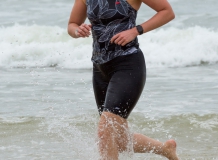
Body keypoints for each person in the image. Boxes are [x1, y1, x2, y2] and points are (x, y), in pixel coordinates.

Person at [68, 0, 179, 159]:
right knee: (115, 137)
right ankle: (165, 149)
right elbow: (72, 24)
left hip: (128, 64)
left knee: (105, 130)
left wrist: (136, 30)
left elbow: (167, 12)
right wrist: (77, 30)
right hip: (100, 68)